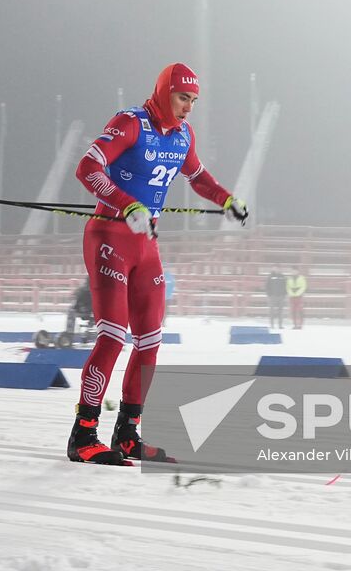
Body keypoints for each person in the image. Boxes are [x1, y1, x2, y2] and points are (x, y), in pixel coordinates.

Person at [68, 62, 247, 465]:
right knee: (113, 335)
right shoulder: (131, 122)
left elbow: (198, 177)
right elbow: (87, 168)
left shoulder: (183, 135)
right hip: (109, 236)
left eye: (193, 101)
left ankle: (127, 434)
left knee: (149, 341)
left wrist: (227, 200)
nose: (188, 108)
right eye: (183, 97)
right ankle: (83, 435)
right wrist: (126, 202)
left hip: (146, 246)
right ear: (165, 91)